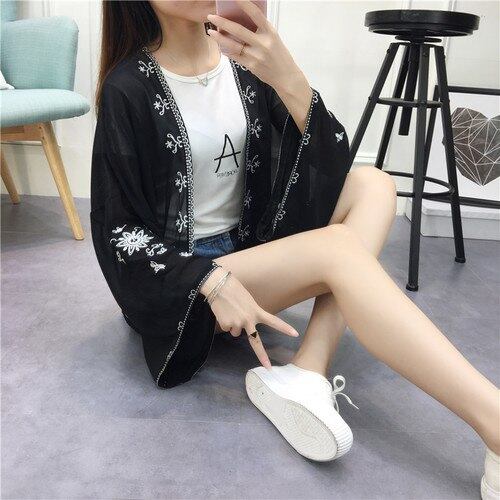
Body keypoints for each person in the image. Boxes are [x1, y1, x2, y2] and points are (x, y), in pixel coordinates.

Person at [90, 1, 499, 496]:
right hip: (182, 284)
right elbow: (116, 230)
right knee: (338, 249)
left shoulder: (244, 65)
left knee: (374, 184)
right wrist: (208, 279)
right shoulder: (128, 87)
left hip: (251, 253)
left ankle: (309, 368)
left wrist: (289, 78)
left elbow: (326, 163)